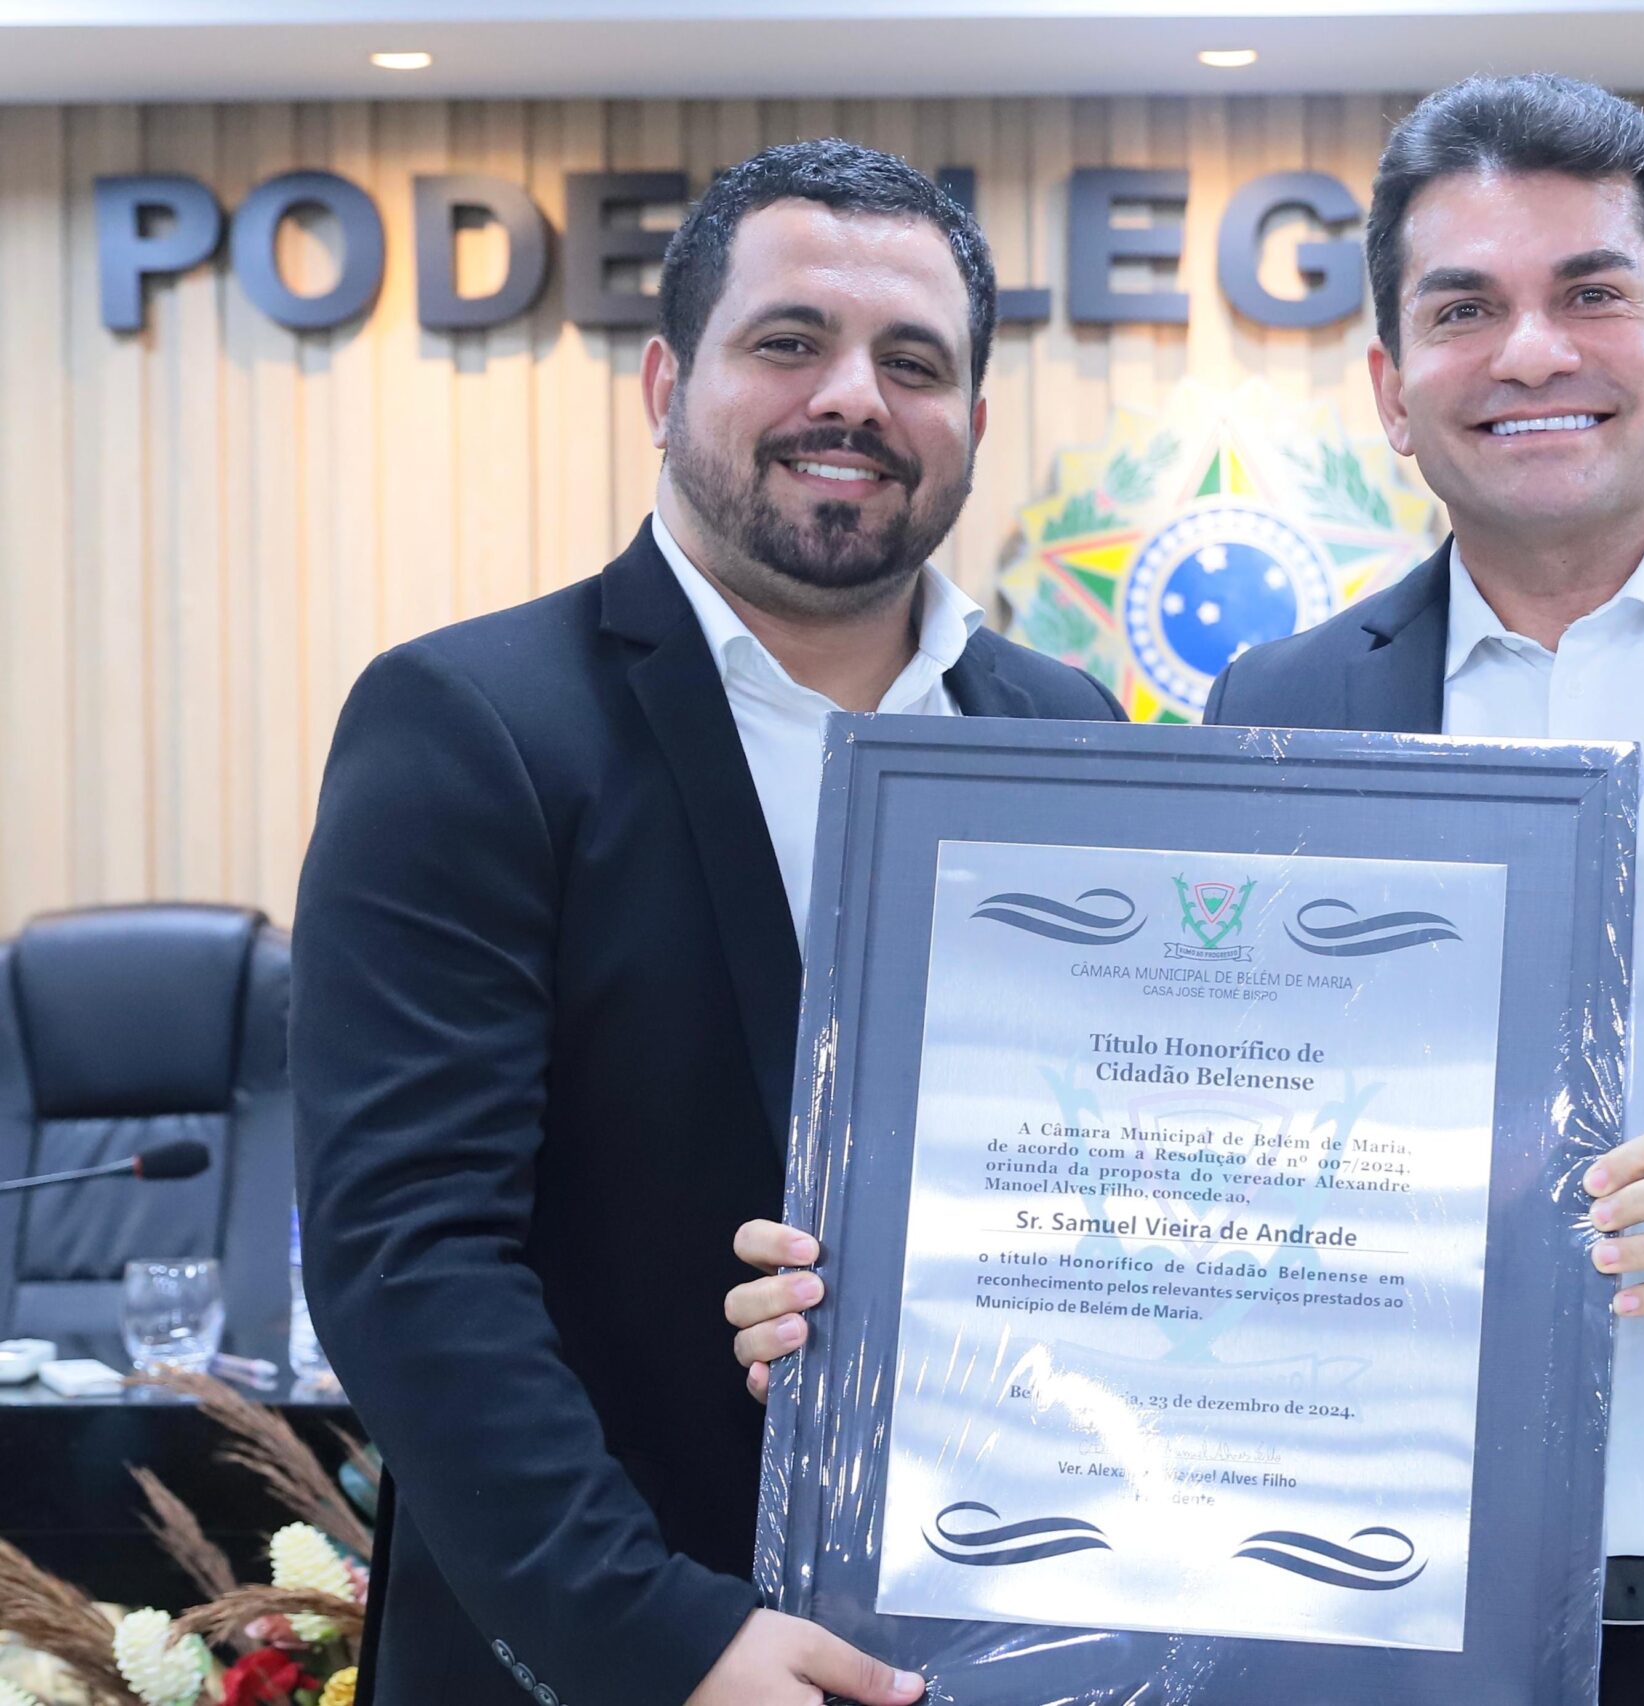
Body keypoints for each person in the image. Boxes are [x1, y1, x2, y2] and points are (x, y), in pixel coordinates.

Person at [728, 77, 1644, 1705]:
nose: (1529, 353)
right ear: (1392, 387)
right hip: (1404, 1645)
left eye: (1590, 293)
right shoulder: (1286, 702)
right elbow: (1206, 1156)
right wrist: (900, 1294)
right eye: (1463, 309)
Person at [294, 139, 1123, 1706]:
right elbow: (409, 1258)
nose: (854, 397)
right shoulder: (468, 724)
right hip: (631, 1653)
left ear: (974, 421)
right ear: (666, 384)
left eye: (914, 362)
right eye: (790, 341)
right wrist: (663, 1638)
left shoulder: (1064, 725)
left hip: (1014, 1641)